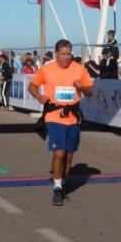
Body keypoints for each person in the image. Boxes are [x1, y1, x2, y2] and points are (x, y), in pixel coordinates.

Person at [28, 39, 94, 206]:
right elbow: (32, 85)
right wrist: (39, 96)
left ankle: (62, 183)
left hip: (73, 116)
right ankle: (57, 189)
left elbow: (90, 91)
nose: (66, 57)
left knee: (69, 156)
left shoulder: (79, 69)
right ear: (56, 54)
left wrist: (81, 87)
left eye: (69, 54)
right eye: (63, 54)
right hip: (54, 116)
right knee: (60, 153)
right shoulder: (47, 69)